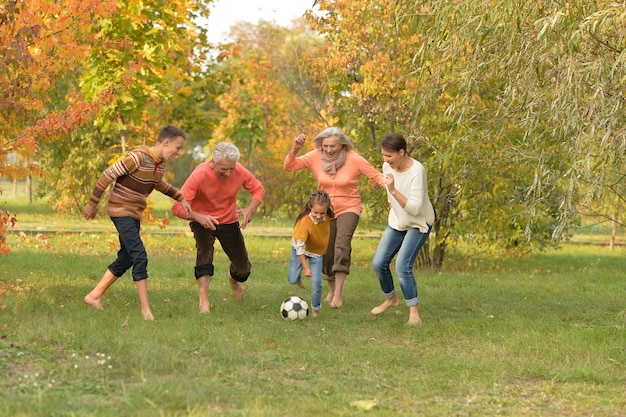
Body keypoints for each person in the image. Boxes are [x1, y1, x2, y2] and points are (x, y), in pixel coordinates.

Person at [82, 125, 192, 320]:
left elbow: (158, 184)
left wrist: (181, 198)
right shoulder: (138, 157)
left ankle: (94, 296)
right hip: (120, 210)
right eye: (177, 147)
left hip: (133, 214)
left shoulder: (159, 163)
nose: (178, 152)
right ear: (166, 142)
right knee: (140, 256)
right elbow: (107, 175)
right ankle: (146, 311)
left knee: (127, 257)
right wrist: (92, 204)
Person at [284, 127, 385, 308]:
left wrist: (395, 192)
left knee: (341, 244)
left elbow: (378, 177)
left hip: (349, 207)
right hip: (324, 211)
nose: (329, 150)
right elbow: (289, 166)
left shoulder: (354, 159)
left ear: (342, 145)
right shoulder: (315, 156)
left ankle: (338, 294)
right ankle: (330, 288)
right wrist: (295, 149)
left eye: (333, 146)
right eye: (325, 146)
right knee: (326, 250)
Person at [172, 142, 265, 313]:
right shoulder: (200, 174)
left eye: (231, 168)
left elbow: (258, 189)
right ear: (213, 163)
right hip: (201, 220)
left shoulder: (239, 171)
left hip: (229, 220)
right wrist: (198, 217)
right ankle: (203, 300)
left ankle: (234, 279)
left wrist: (250, 209)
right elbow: (177, 207)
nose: (228, 173)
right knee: (205, 253)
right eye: (224, 169)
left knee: (243, 269)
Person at [371, 133, 435, 325]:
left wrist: (393, 191)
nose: (385, 160)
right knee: (378, 263)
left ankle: (414, 313)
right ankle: (391, 298)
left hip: (418, 223)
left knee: (402, 266)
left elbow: (415, 208)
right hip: (397, 222)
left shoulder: (417, 171)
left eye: (389, 156)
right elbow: (391, 196)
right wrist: (391, 201)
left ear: (401, 152)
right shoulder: (387, 166)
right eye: (383, 156)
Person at [287, 190, 334, 317]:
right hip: (299, 249)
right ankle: (297, 279)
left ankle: (315, 309)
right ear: (310, 208)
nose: (318, 216)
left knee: (316, 283)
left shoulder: (328, 217)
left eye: (322, 213)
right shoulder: (304, 223)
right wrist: (306, 268)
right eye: (315, 213)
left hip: (317, 253)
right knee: (292, 279)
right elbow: (300, 249)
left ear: (327, 210)